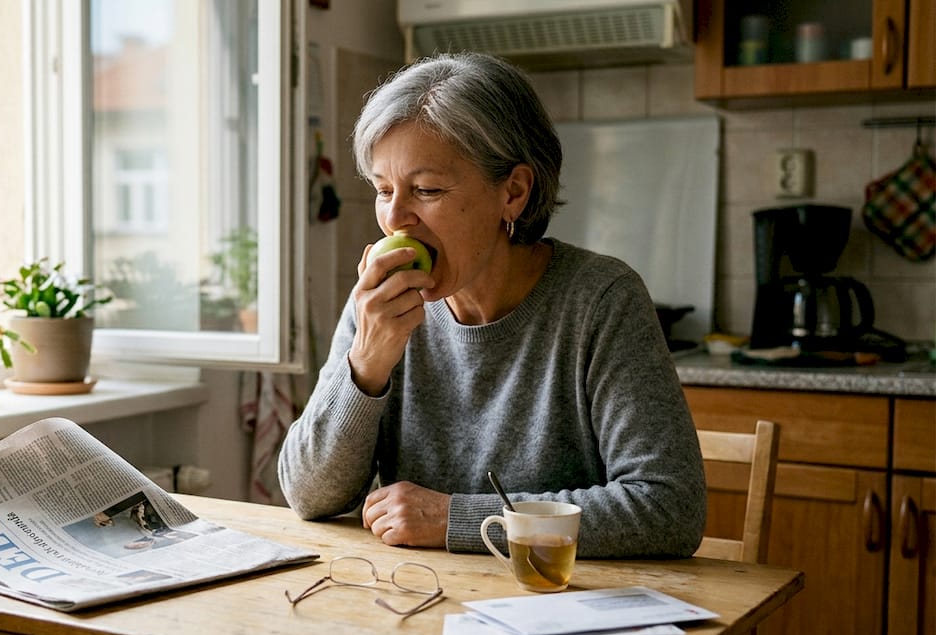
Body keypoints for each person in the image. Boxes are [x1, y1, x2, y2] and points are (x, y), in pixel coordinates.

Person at [276, 52, 705, 558]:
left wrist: (457, 518)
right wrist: (366, 365)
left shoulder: (601, 299)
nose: (395, 218)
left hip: (557, 610)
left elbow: (669, 508)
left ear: (514, 193)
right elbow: (309, 495)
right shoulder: (379, 306)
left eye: (426, 189)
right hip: (415, 602)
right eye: (383, 189)